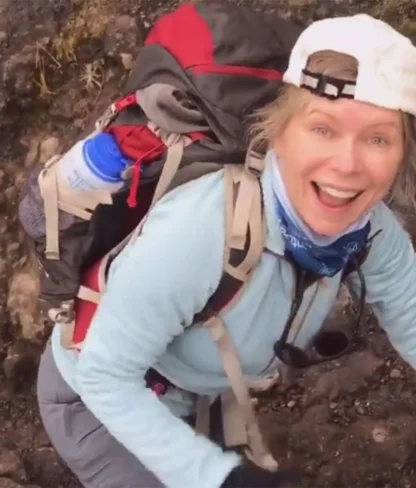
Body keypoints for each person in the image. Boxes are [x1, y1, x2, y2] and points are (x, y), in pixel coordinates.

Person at [36, 12, 416, 488]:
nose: (347, 164)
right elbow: (104, 375)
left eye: (378, 138)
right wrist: (218, 478)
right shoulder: (202, 230)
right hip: (95, 395)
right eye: (323, 129)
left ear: (403, 153)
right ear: (279, 131)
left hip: (197, 391)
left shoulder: (371, 232)